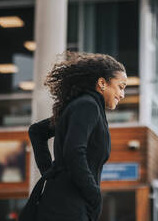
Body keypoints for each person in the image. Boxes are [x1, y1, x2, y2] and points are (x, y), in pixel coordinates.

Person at [22, 51, 127, 221]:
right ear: (102, 83)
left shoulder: (83, 107)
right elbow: (74, 151)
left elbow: (37, 132)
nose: (122, 95)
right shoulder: (88, 106)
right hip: (67, 207)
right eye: (121, 87)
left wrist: (51, 173)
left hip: (67, 203)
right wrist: (93, 194)